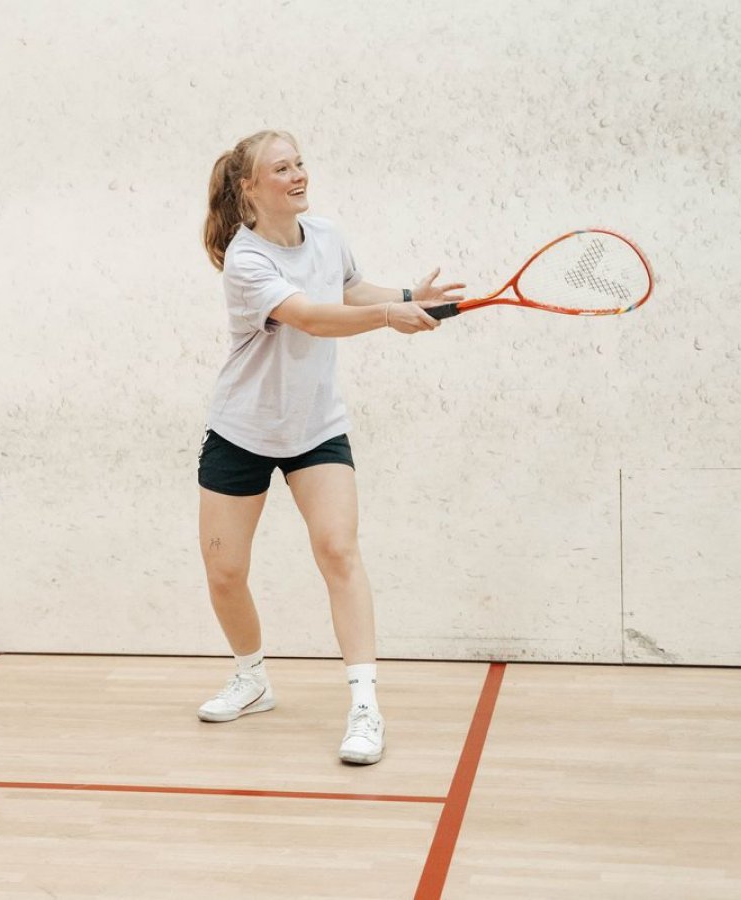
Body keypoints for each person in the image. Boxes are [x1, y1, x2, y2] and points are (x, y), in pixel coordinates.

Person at [197, 130, 464, 765]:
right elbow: (311, 316)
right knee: (225, 571)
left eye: (299, 163)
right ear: (249, 188)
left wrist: (407, 298)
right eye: (280, 168)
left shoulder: (326, 234)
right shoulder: (246, 259)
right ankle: (252, 676)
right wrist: (388, 320)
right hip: (243, 429)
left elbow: (346, 290)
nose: (297, 175)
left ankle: (365, 706)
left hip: (315, 427)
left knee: (339, 550)